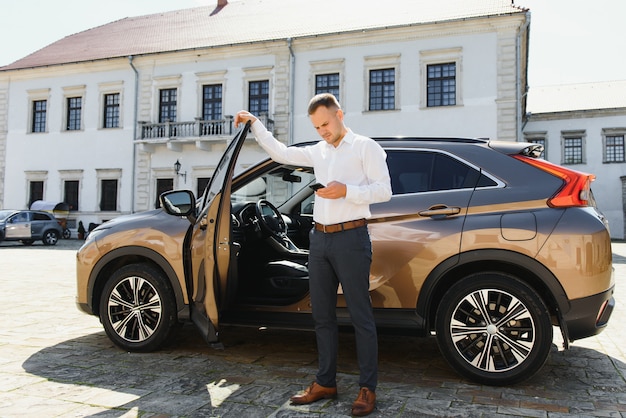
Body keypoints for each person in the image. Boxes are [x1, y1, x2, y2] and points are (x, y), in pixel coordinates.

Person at [235, 93, 391, 416]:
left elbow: (384, 190)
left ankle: (367, 388)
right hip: (319, 241)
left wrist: (346, 190)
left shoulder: (365, 147)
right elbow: (281, 153)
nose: (322, 130)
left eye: (326, 123)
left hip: (352, 238)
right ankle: (325, 382)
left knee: (360, 316)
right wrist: (255, 125)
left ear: (340, 115)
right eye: (317, 126)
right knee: (321, 315)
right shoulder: (318, 151)